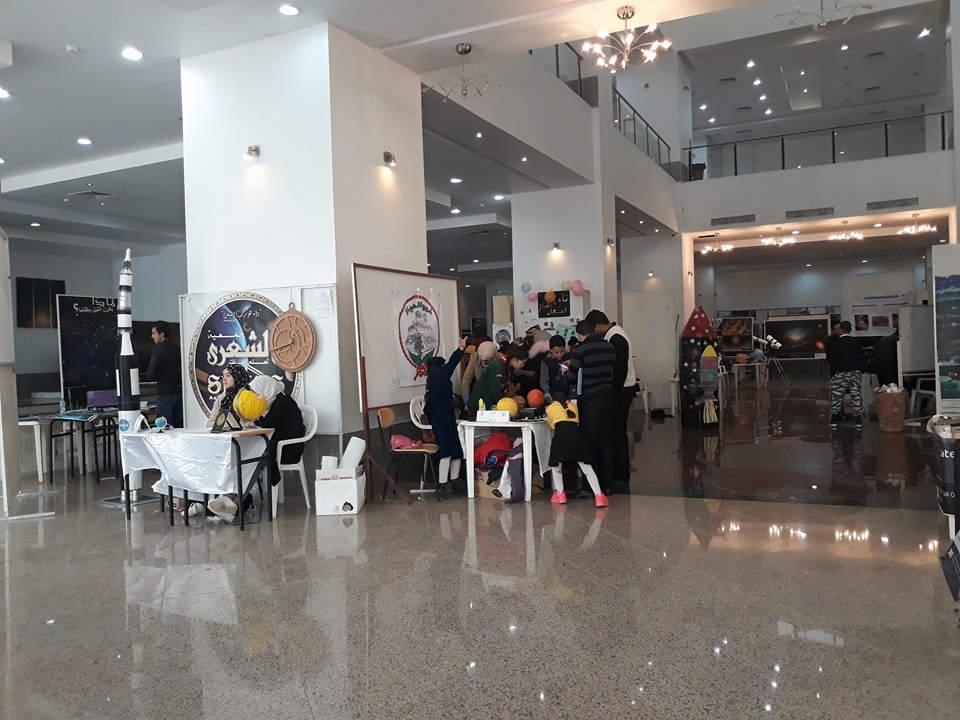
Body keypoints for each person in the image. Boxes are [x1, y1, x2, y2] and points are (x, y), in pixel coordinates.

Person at [585, 310, 639, 494]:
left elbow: (619, 370)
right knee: (615, 432)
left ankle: (621, 474)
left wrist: (611, 392)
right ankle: (617, 472)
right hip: (620, 389)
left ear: (598, 326)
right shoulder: (613, 335)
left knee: (617, 432)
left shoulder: (617, 338)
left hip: (621, 390)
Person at [565, 320, 617, 493]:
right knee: (606, 441)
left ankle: (591, 486)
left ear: (580, 335)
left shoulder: (579, 350)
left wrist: (567, 371)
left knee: (589, 441)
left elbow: (572, 377)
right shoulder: (609, 347)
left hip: (590, 400)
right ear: (595, 329)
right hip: (609, 397)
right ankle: (607, 484)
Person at [545, 397, 608, 508]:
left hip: (560, 437)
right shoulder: (574, 406)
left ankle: (560, 493)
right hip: (576, 437)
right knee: (585, 465)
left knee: (556, 464)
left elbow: (551, 424)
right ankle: (599, 496)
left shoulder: (550, 408)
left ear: (552, 399)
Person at [425, 336, 467, 498]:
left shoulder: (432, 380)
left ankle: (453, 480)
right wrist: (460, 349)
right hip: (443, 420)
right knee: (448, 450)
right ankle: (445, 482)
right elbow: (452, 364)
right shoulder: (440, 377)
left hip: (444, 419)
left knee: (453, 448)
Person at [250, 375, 305, 491]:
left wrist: (256, 414)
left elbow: (267, 425)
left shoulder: (283, 403)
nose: (255, 397)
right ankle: (241, 495)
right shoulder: (275, 402)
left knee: (252, 458)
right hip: (280, 446)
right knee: (251, 457)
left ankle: (241, 496)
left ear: (266, 390)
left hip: (289, 450)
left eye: (256, 393)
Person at [828, 321, 865, 429]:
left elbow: (832, 360)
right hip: (854, 373)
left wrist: (832, 374)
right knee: (856, 395)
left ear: (840, 329)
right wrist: (860, 371)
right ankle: (858, 419)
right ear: (850, 330)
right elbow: (861, 358)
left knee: (837, 396)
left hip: (839, 373)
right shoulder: (856, 342)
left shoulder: (835, 344)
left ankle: (834, 419)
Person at [147, 320, 183, 427]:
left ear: (162, 334)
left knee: (165, 426)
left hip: (164, 393)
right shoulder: (176, 348)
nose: (152, 336)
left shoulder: (158, 349)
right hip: (179, 391)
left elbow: (152, 373)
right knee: (179, 426)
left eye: (154, 333)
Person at [206, 363, 254, 431]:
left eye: (228, 376)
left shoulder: (250, 396)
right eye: (223, 376)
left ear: (237, 376)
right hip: (227, 436)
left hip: (249, 435)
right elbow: (210, 424)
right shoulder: (221, 398)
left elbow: (253, 423)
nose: (224, 379)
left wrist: (232, 425)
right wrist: (227, 426)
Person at [467, 341, 506, 412]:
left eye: (487, 361)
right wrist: (465, 399)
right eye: (481, 360)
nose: (484, 362)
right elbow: (466, 378)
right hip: (479, 392)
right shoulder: (474, 357)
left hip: (493, 395)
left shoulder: (500, 360)